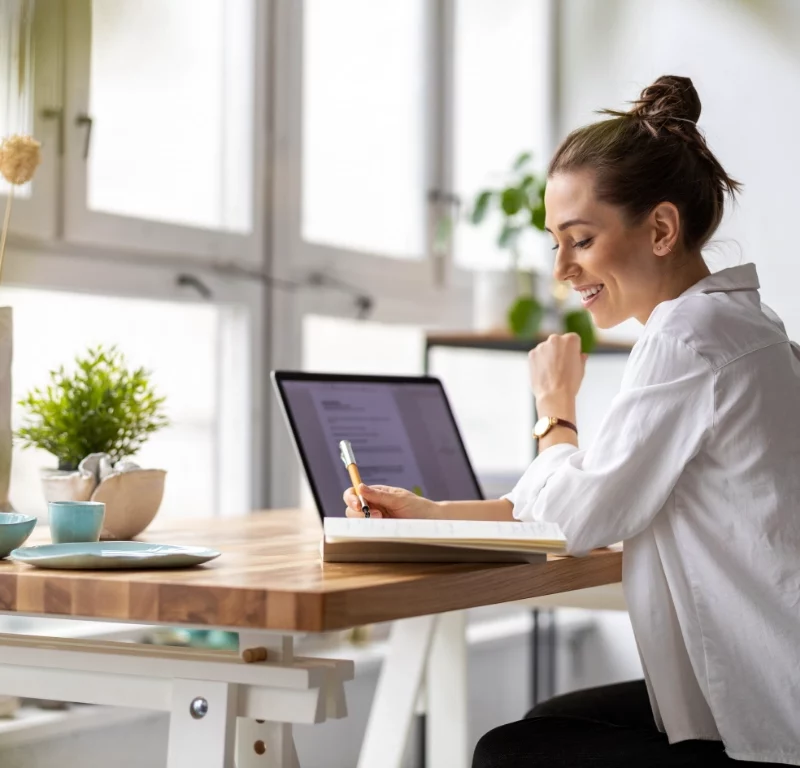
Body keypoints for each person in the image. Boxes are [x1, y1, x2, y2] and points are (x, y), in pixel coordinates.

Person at [344, 75, 800, 766]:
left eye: (580, 240)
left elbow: (574, 520)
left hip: (770, 722)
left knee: (510, 751)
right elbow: (581, 496)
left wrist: (554, 410)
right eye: (556, 242)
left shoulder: (687, 341)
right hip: (776, 681)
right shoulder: (746, 326)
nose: (563, 268)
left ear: (661, 228)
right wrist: (429, 510)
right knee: (550, 721)